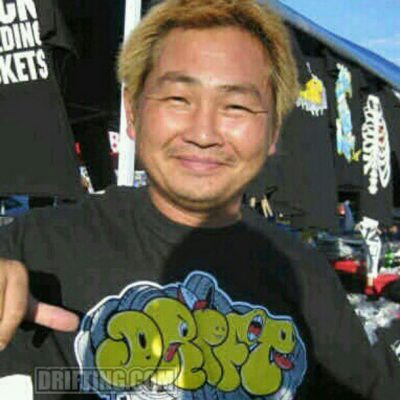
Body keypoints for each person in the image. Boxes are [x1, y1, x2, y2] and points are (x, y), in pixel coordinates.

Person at [0, 0, 398, 399]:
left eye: (236, 106)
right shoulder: (32, 249)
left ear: (274, 132)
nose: (203, 133)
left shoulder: (305, 277)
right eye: (178, 99)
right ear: (132, 112)